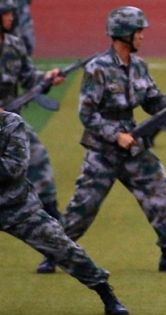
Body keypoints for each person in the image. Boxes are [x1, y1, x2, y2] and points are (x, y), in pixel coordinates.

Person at [51, 7, 166, 275]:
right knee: (84, 206)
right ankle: (53, 254)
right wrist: (115, 135)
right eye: (138, 31)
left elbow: (152, 101)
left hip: (133, 145)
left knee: (162, 191)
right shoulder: (97, 68)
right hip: (102, 150)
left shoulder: (139, 66)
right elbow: (87, 114)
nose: (142, 36)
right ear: (123, 34)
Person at [1, 110, 129, 315]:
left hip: (16, 206)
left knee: (62, 246)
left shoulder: (11, 123)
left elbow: (14, 168)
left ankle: (104, 291)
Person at [0, 0, 70, 274]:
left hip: (10, 124)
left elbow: (29, 78)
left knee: (40, 166)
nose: (11, 17)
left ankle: (55, 242)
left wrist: (47, 78)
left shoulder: (14, 45)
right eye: (5, 13)